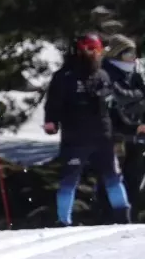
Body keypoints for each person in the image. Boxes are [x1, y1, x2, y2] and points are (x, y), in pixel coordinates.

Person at [45, 32, 129, 225]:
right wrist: (51, 121)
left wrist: (121, 127)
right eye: (90, 49)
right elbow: (53, 103)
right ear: (79, 50)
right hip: (75, 137)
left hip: (103, 136)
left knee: (113, 177)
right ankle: (63, 221)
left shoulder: (103, 75)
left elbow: (114, 105)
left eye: (98, 49)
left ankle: (123, 218)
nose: (95, 53)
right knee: (69, 180)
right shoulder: (64, 76)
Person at [103, 34, 145, 217]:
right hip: (115, 131)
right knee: (113, 174)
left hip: (138, 130)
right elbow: (119, 97)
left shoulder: (135, 72)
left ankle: (131, 213)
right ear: (117, 53)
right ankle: (109, 214)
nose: (133, 57)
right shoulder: (106, 72)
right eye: (129, 53)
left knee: (135, 173)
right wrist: (138, 97)